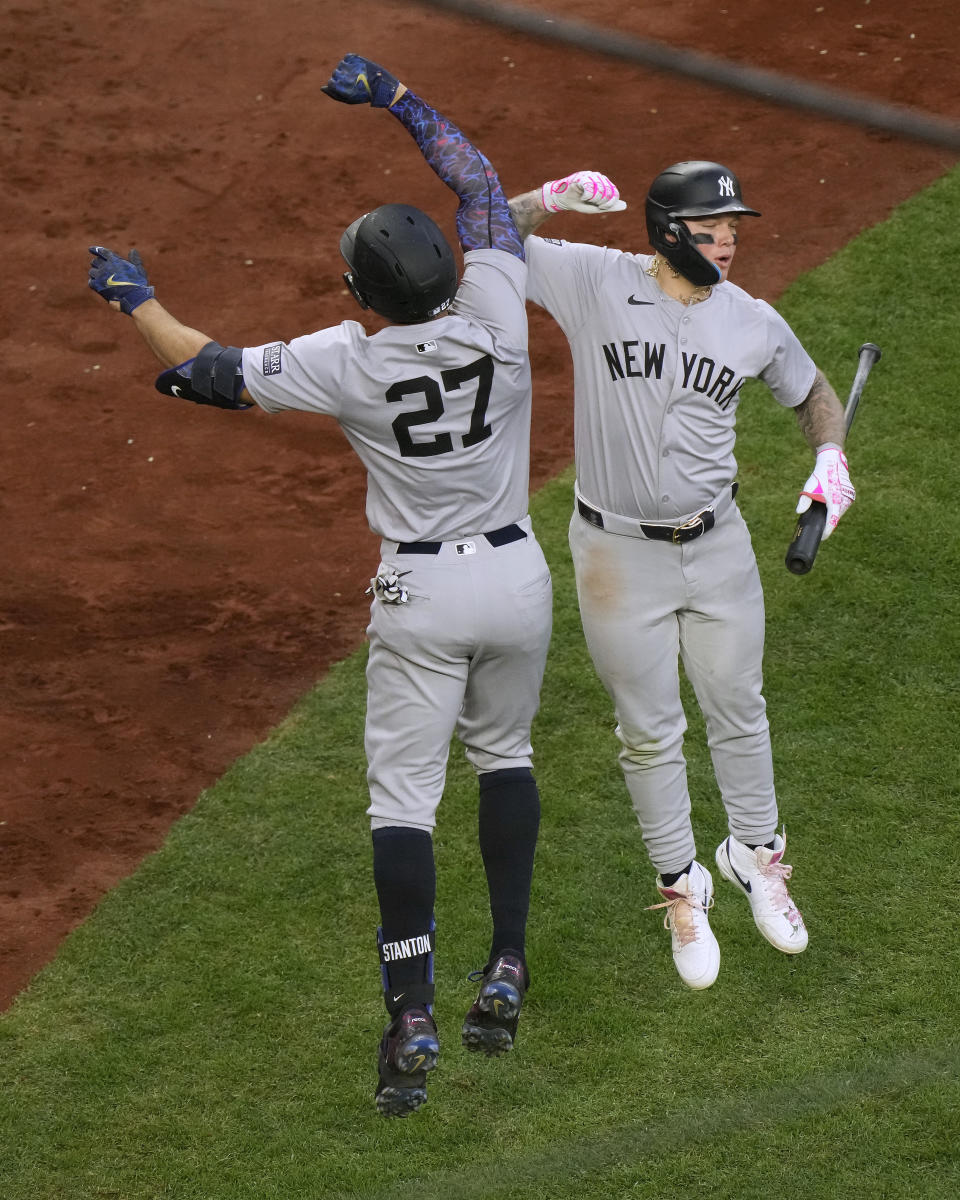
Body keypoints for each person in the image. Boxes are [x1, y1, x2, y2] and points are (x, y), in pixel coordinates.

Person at [86, 55, 617, 1116]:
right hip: (517, 574)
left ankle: (411, 1009)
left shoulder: (349, 361)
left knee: (402, 803)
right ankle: (506, 963)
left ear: (363, 296)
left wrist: (133, 297)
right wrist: (398, 98)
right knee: (504, 757)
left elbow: (211, 372)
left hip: (423, 599)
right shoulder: (499, 309)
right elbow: (479, 189)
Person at [506, 160, 855, 990]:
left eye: (735, 228)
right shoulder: (592, 280)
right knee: (649, 729)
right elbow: (484, 233)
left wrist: (831, 454)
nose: (730, 243)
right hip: (616, 556)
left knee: (739, 706)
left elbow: (813, 394)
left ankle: (755, 857)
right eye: (712, 229)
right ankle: (681, 885)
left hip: (718, 545)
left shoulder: (752, 321)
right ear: (667, 233)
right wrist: (545, 200)